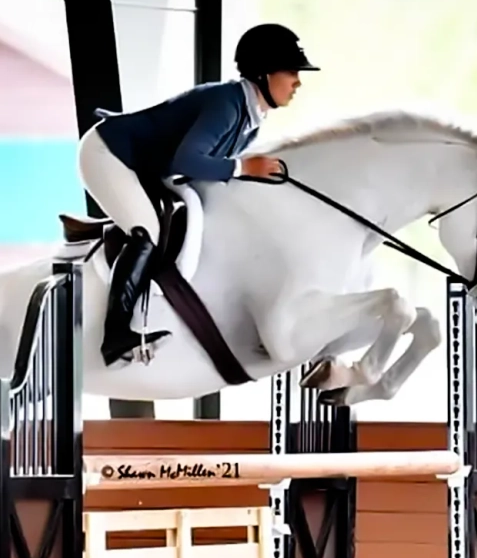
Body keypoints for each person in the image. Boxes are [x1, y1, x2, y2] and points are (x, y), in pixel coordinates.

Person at [77, 22, 320, 366]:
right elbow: (188, 160)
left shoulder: (250, 118)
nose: (298, 81)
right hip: (108, 154)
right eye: (292, 71)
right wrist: (244, 168)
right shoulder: (227, 103)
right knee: (147, 231)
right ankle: (115, 335)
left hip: (140, 163)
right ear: (265, 74)